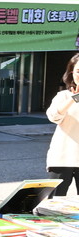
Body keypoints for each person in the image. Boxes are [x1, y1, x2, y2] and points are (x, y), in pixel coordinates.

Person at [46, 53, 79, 196]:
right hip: (63, 157)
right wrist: (75, 98)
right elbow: (53, 116)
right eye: (78, 71)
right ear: (72, 73)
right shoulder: (63, 96)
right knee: (54, 204)